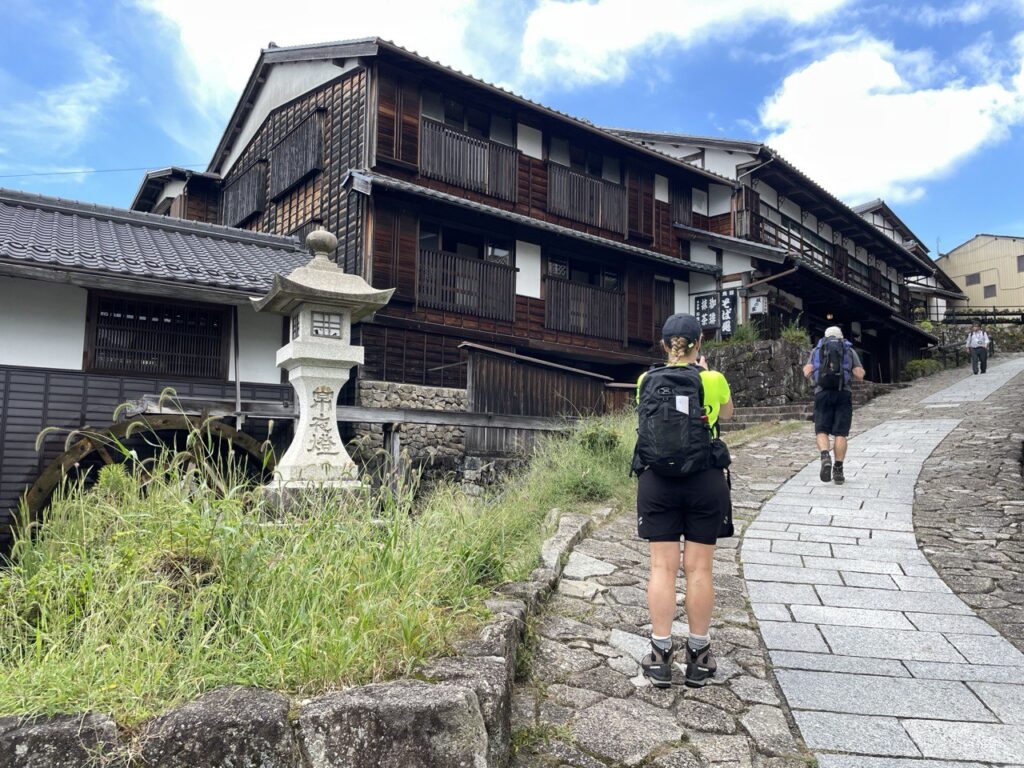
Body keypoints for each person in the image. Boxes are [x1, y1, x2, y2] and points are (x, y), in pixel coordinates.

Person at [633, 313, 734, 689]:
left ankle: (660, 656)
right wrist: (705, 376)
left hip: (657, 480)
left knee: (662, 568)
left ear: (664, 345)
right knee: (699, 570)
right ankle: (699, 656)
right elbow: (727, 414)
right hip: (704, 480)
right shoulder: (713, 379)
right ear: (699, 343)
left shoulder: (646, 380)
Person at [802, 326, 865, 485]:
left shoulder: (817, 350)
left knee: (821, 430)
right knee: (840, 433)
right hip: (843, 394)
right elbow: (859, 374)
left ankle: (825, 456)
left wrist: (814, 371)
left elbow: (807, 371)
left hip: (822, 394)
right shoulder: (848, 350)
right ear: (841, 337)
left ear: (825, 336)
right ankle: (838, 469)